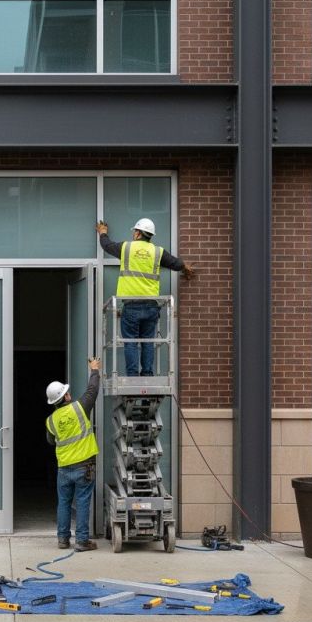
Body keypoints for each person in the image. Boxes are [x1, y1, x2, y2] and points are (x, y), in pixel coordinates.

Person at [96, 218, 193, 376]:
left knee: (131, 342)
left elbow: (107, 246)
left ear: (138, 233)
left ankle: (133, 375)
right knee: (148, 342)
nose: (134, 233)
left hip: (131, 305)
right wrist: (185, 267)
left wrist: (103, 233)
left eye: (135, 231)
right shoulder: (157, 252)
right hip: (151, 307)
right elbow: (175, 263)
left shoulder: (126, 248)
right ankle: (147, 373)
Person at [45, 357, 101, 552]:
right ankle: (82, 541)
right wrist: (94, 370)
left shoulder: (51, 420)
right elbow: (92, 391)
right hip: (84, 465)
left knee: (64, 503)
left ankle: (62, 539)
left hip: (64, 468)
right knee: (83, 502)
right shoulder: (79, 407)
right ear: (66, 397)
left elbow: (52, 441)